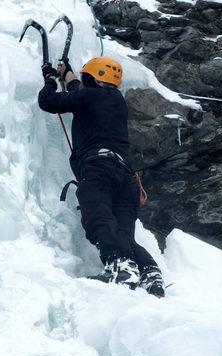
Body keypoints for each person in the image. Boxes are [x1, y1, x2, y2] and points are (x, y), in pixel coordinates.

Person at [38, 56, 165, 298]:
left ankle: (120, 267)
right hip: (126, 179)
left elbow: (48, 101)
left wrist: (49, 80)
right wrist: (68, 74)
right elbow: (79, 92)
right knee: (123, 233)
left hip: (99, 170)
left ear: (93, 79)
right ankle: (150, 273)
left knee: (98, 218)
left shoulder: (90, 97)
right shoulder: (115, 99)